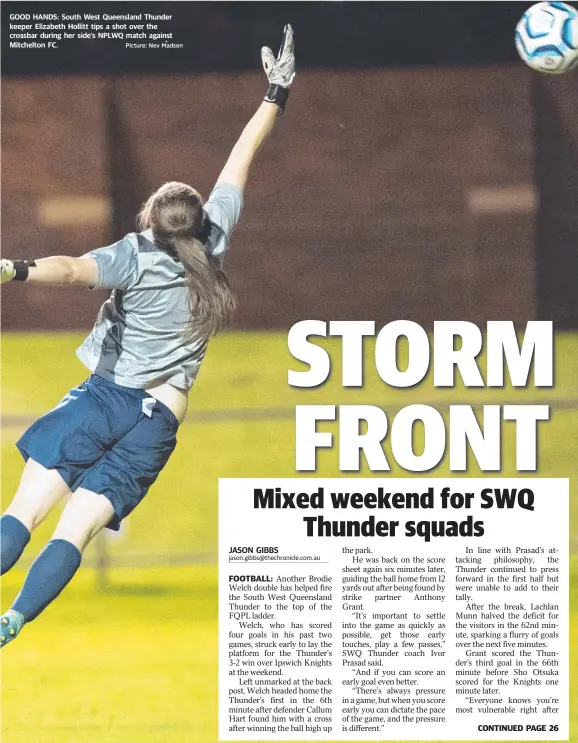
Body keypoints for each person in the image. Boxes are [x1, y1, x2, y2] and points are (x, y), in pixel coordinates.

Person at [0, 26, 295, 647]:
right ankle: (14, 620)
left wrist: (16, 268)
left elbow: (72, 269)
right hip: (158, 422)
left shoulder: (135, 254)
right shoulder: (213, 240)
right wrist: (276, 93)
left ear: (149, 223)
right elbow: (240, 160)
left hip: (106, 397)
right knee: (71, 534)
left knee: (23, 515)